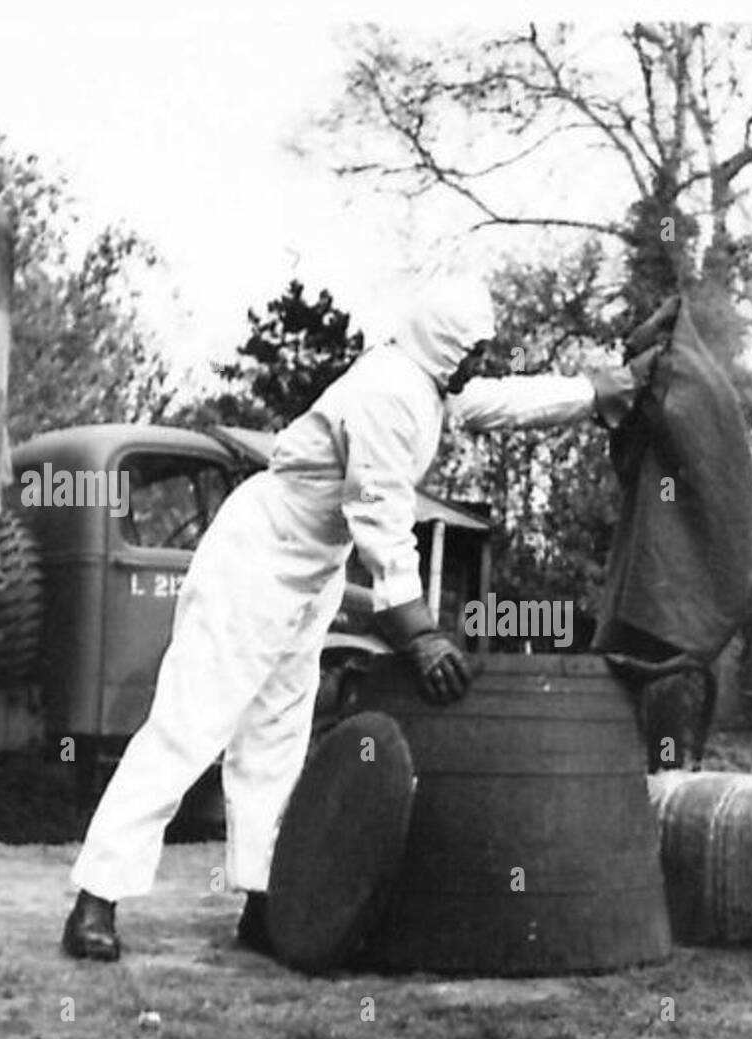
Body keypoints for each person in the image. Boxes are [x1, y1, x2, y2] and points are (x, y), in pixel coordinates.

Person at [62, 276, 640, 962]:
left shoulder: (424, 380)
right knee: (189, 728)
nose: (481, 363)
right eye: (475, 350)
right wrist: (419, 633)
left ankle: (264, 901)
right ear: (444, 344)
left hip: (310, 571)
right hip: (256, 561)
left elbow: (494, 403)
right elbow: (382, 521)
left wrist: (593, 392)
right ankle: (96, 899)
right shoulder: (390, 393)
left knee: (275, 739)